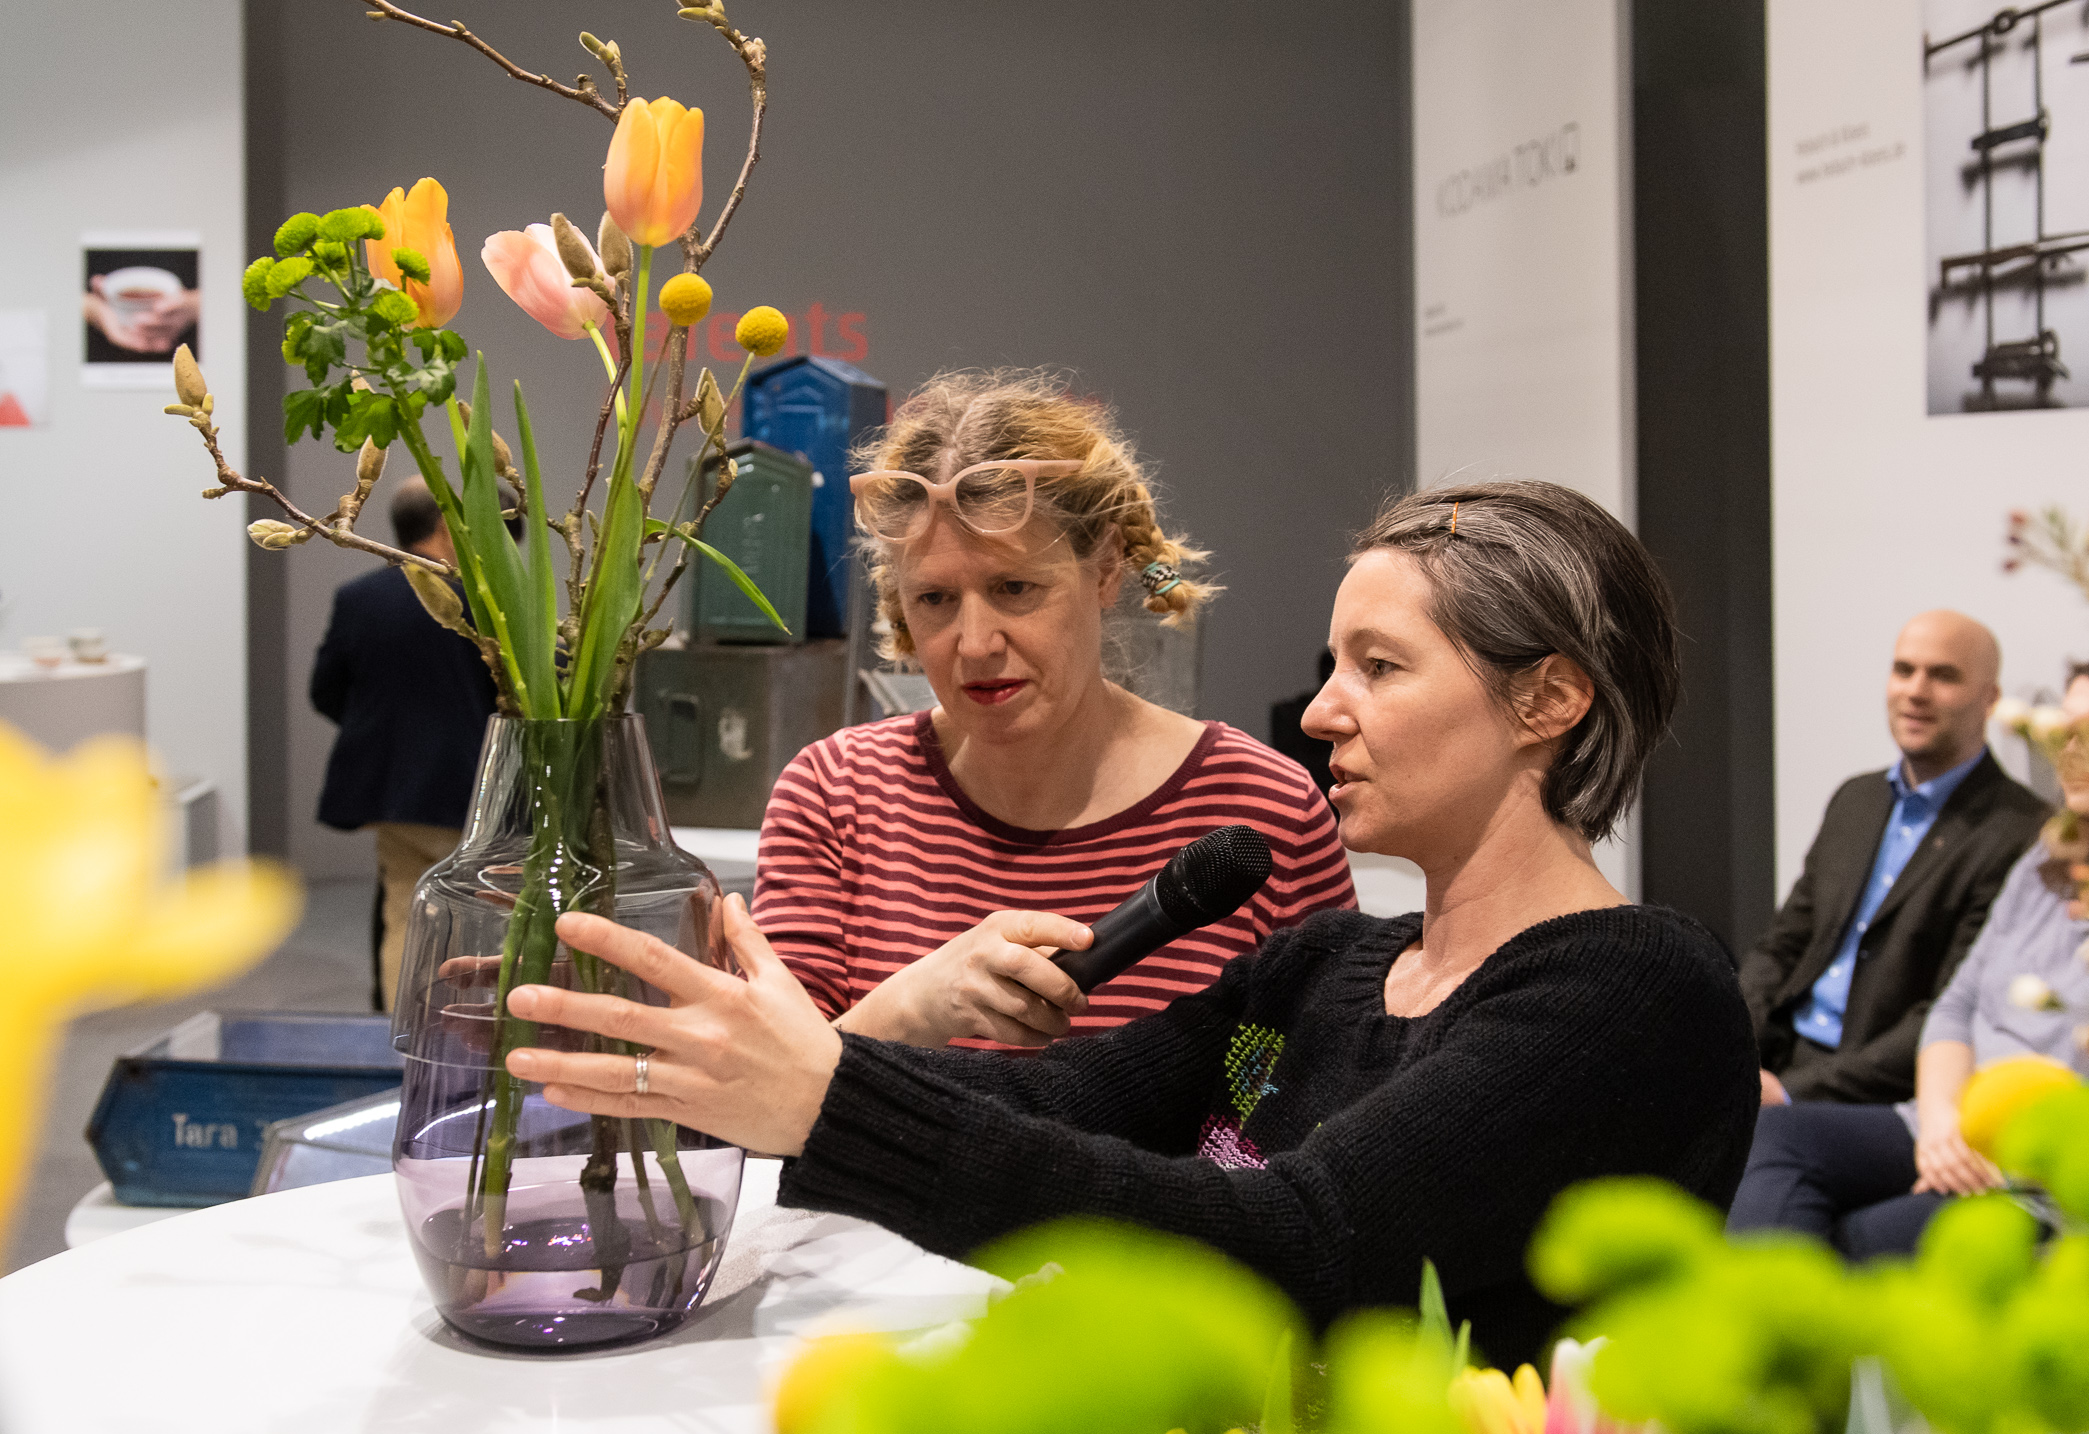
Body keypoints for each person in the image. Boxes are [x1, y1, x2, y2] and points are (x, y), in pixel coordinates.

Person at [505, 481, 1758, 1368]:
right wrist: (752, 1066)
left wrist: (829, 1097)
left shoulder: (1631, 993)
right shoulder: (1318, 969)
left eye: (1377, 667)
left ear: (1546, 697)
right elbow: (1057, 1103)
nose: (1319, 711)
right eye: (1334, 664)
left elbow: (1303, 1246)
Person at [753, 371, 1356, 1049]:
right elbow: (760, 1101)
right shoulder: (837, 795)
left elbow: (1315, 1100)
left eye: (1014, 588)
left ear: (1104, 570)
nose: (975, 644)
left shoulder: (1265, 809)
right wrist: (908, 1013)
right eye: (935, 600)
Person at [1728, 653, 2089, 1259]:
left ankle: (1775, 1342)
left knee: (1861, 1237)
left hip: (2061, 1187)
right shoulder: (2045, 870)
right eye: (2063, 731)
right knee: (1769, 1135)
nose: (2070, 751)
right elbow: (1955, 1010)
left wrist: (2021, 1158)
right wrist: (1942, 1127)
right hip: (1953, 1131)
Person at [1738, 611, 2048, 1107]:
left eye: (1943, 675)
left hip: (1879, 1093)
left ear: (1990, 699)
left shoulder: (2022, 832)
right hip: (1776, 1057)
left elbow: (1951, 1009)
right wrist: (1731, 1049)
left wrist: (1790, 1094)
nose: (1916, 691)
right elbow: (1781, 948)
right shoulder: (1855, 801)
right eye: (1904, 670)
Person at [310, 478, 507, 1009]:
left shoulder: (358, 599)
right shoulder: (486, 601)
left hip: (393, 794)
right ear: (447, 525)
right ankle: (470, 1034)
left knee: (404, 909)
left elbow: (325, 692)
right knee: (482, 920)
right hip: (475, 792)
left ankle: (401, 1035)